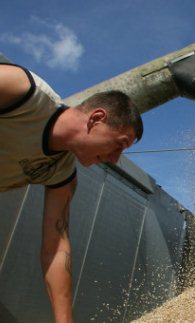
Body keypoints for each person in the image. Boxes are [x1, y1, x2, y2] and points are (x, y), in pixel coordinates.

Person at [0, 63, 143, 323]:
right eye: (118, 145)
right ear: (96, 118)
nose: (115, 159)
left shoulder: (62, 174)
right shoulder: (23, 92)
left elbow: (55, 248)